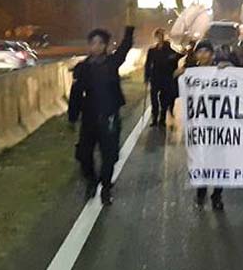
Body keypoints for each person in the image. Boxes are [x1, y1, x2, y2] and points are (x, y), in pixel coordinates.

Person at [68, 25, 135, 206]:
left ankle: (106, 187)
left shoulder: (112, 63)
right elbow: (75, 93)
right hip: (89, 119)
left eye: (100, 43)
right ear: (89, 46)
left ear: (105, 46)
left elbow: (124, 48)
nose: (96, 46)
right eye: (93, 43)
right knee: (83, 155)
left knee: (109, 155)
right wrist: (72, 117)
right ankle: (91, 180)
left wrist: (129, 31)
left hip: (110, 117)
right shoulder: (82, 68)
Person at [176, 39, 226, 211]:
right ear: (196, 54)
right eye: (200, 52)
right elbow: (178, 91)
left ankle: (217, 195)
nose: (203, 55)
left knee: (219, 161)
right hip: (199, 127)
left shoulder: (221, 72)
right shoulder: (192, 73)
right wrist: (178, 75)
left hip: (219, 126)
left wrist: (229, 69)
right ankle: (201, 192)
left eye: (207, 51)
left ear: (212, 54)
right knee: (201, 160)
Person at [144, 28, 181, 128]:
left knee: (164, 100)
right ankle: (154, 119)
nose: (160, 37)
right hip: (155, 78)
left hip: (166, 79)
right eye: (158, 35)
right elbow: (147, 64)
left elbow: (177, 57)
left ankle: (162, 120)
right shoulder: (152, 50)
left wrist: (183, 53)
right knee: (154, 100)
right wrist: (146, 77)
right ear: (155, 37)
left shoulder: (169, 50)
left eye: (161, 35)